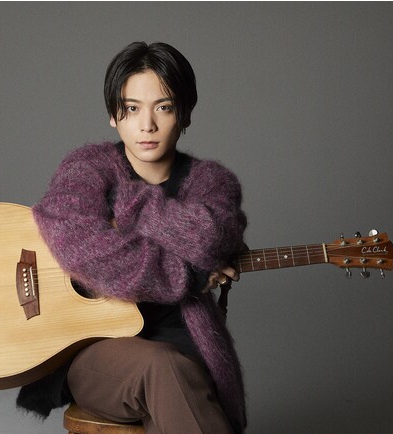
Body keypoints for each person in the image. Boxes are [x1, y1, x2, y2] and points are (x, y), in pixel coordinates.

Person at [17, 41, 248, 434]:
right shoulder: (87, 168)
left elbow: (212, 237)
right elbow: (85, 251)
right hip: (94, 350)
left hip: (185, 346)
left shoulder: (212, 182)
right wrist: (185, 274)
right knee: (162, 369)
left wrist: (131, 204)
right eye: (132, 109)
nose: (147, 125)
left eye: (164, 107)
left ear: (185, 113)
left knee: (176, 381)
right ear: (113, 115)